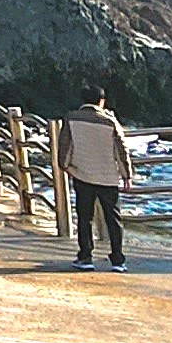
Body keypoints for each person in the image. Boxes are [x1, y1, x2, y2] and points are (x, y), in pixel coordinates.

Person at [56, 89, 134, 269]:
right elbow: (121, 149)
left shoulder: (72, 118)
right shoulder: (109, 121)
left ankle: (85, 257)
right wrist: (126, 175)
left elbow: (65, 146)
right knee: (113, 219)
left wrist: (65, 166)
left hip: (82, 174)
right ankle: (118, 260)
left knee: (85, 217)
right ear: (102, 101)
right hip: (108, 177)